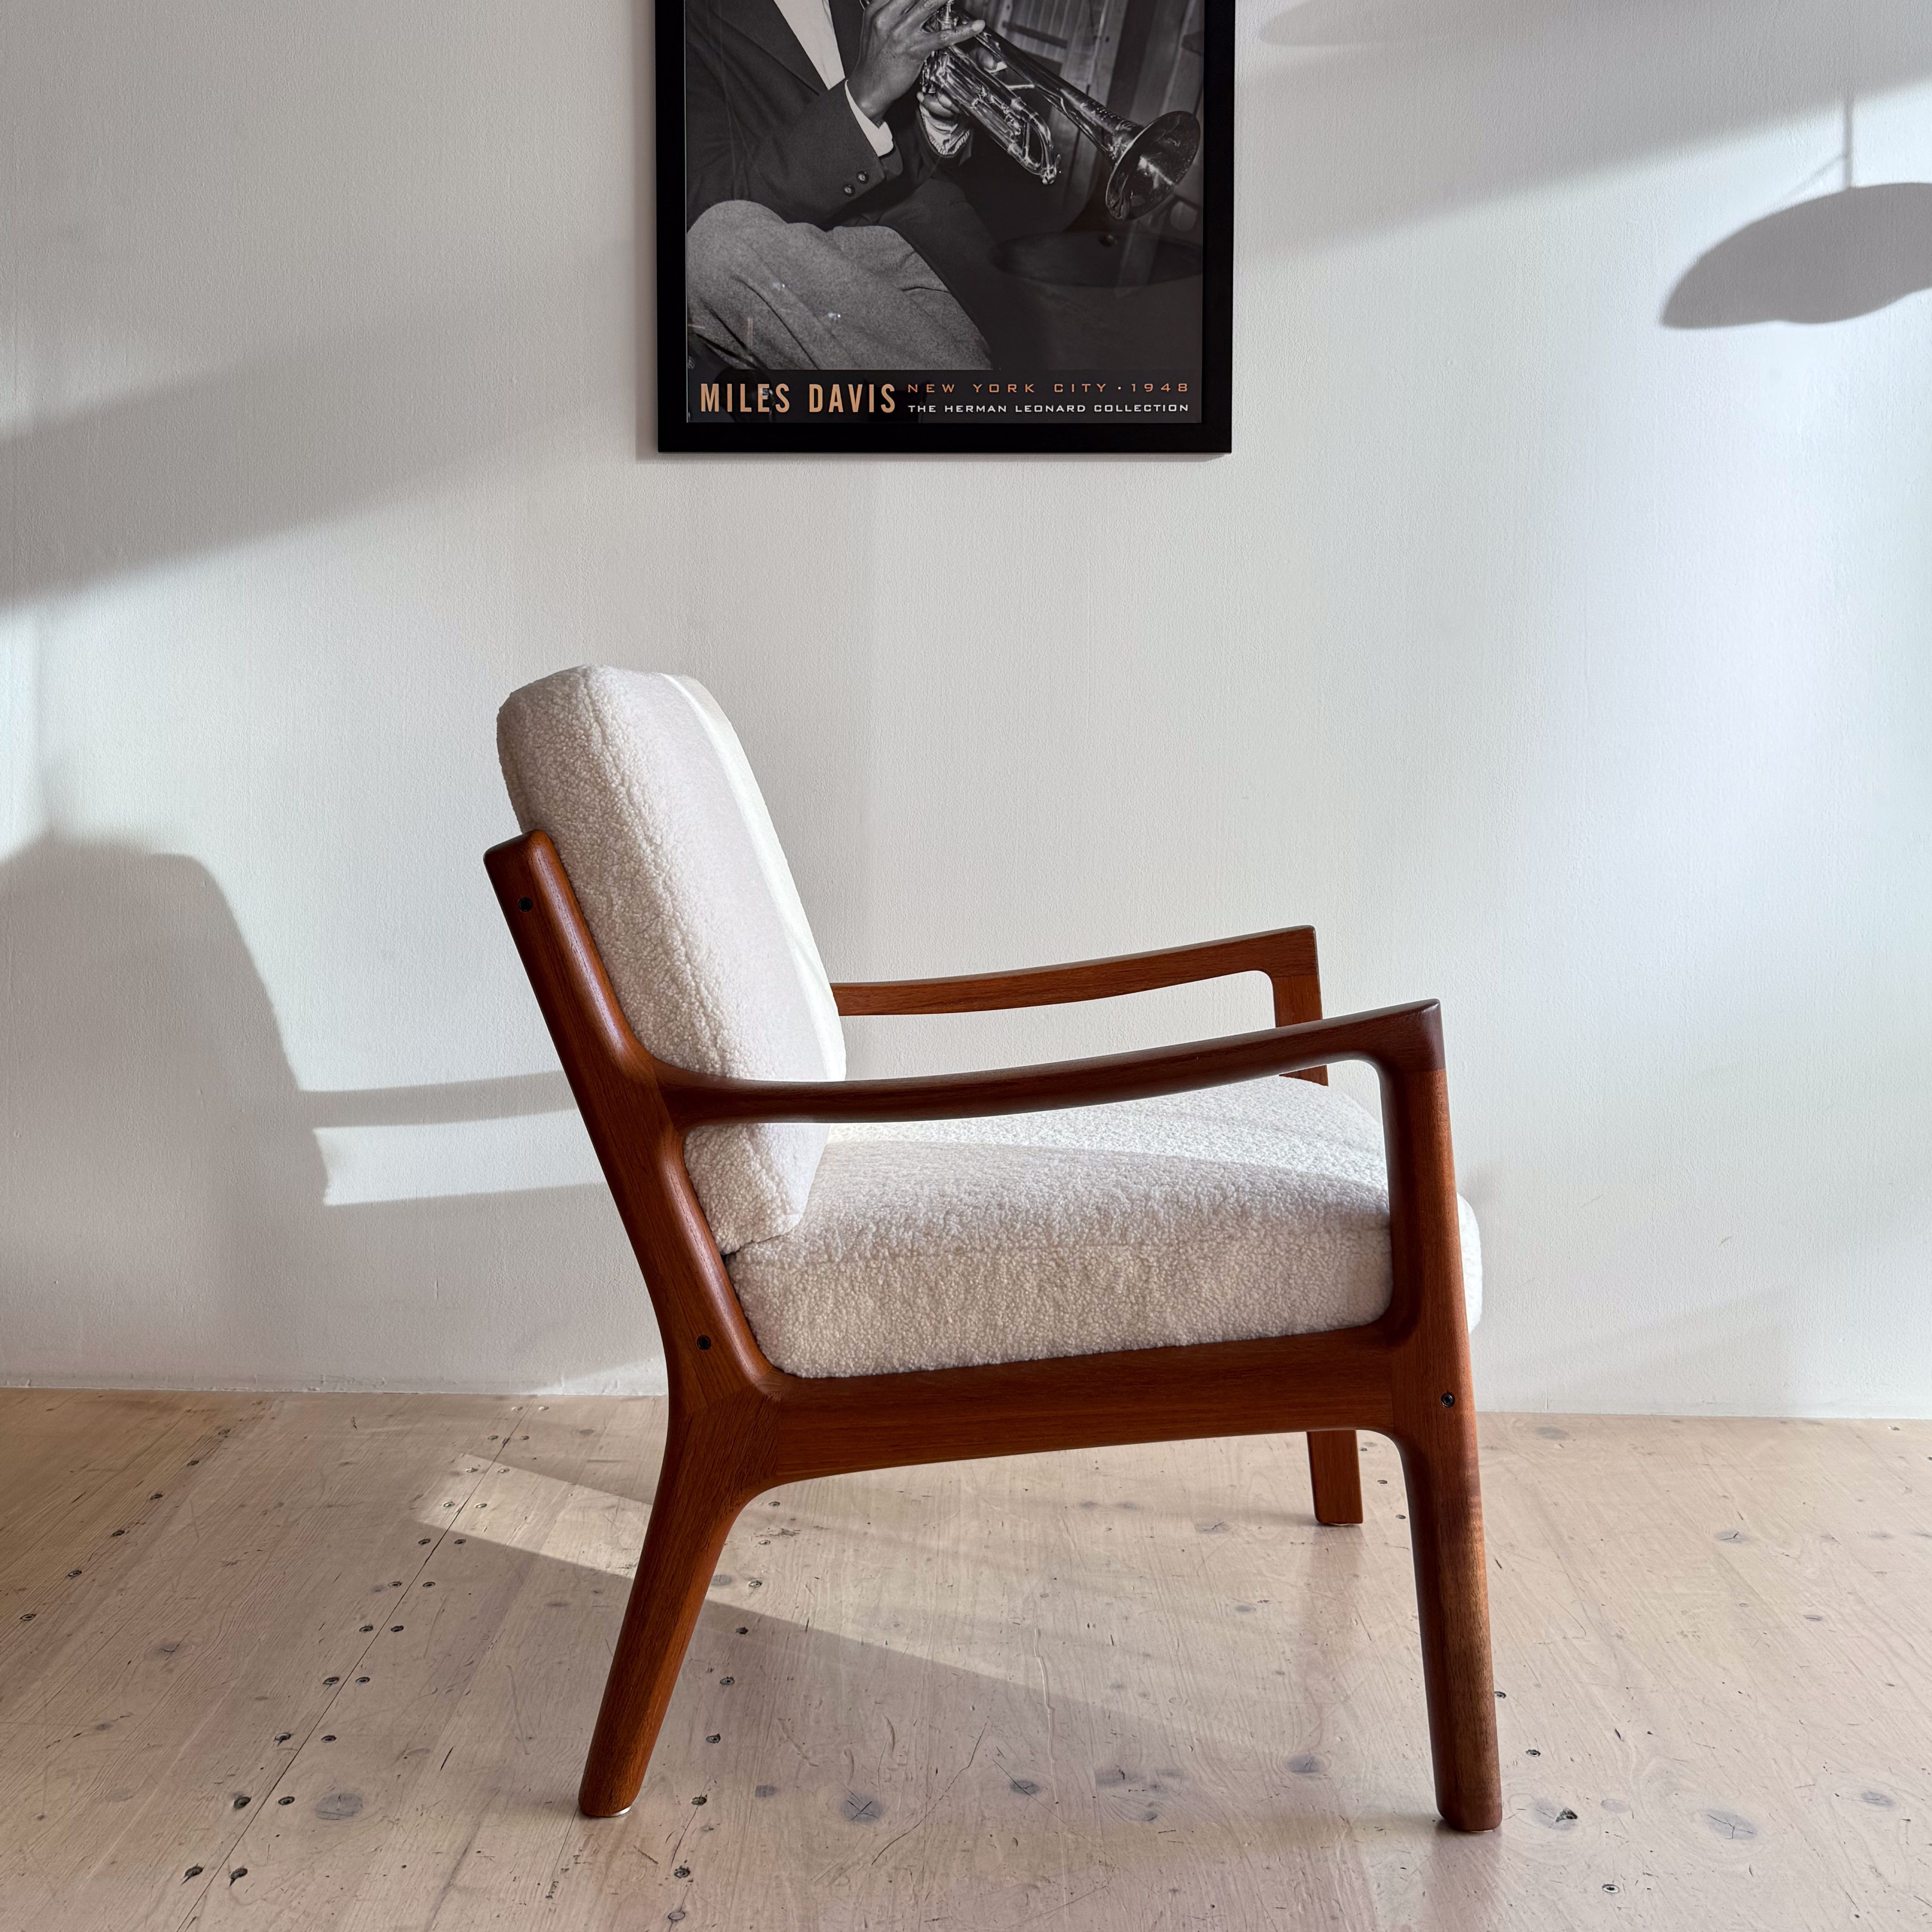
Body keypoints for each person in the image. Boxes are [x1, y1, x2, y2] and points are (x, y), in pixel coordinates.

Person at [684, 0, 1007, 371]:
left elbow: (915, 160)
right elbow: (710, 196)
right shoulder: (681, 23)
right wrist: (862, 99)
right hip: (794, 273)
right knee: (714, 247)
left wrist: (940, 120)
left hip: (932, 255)